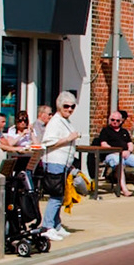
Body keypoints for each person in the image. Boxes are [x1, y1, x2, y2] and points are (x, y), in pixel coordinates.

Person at [38, 95, 80, 239]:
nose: (69, 109)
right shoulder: (55, 122)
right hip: (55, 162)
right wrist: (68, 139)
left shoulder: (65, 121)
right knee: (55, 195)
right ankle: (47, 226)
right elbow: (48, 142)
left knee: (60, 195)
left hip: (64, 163)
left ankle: (56, 224)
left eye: (72, 107)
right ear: (59, 106)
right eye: (66, 106)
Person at [95, 110, 134, 195]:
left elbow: (130, 144)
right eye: (112, 120)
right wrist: (116, 151)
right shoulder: (106, 131)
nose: (114, 122)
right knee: (119, 165)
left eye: (117, 120)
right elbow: (103, 144)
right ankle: (124, 189)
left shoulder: (124, 132)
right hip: (112, 154)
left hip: (126, 154)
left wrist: (128, 151)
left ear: (121, 121)